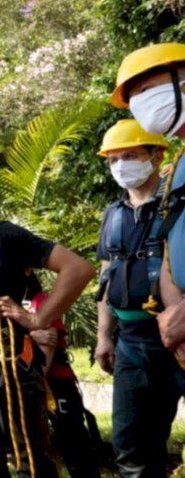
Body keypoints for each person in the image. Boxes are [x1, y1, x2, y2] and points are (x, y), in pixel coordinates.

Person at [0, 156, 95, 478]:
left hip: (8, 365)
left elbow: (78, 269)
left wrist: (39, 320)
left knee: (32, 461)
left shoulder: (1, 235)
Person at [95, 118, 185, 477]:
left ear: (157, 154)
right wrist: (104, 336)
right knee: (131, 444)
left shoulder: (177, 206)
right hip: (131, 344)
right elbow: (106, 275)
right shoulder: (113, 216)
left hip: (177, 337)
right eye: (113, 159)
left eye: (130, 155)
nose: (121, 166)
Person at [109, 44, 185, 364]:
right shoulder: (179, 167)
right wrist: (173, 318)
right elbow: (168, 249)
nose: (141, 104)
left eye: (147, 90)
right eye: (134, 99)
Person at [24, 277, 101, 478]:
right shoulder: (1, 306)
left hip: (55, 383)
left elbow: (47, 345)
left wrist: (36, 385)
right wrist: (30, 336)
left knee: (74, 445)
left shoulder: (41, 302)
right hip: (23, 384)